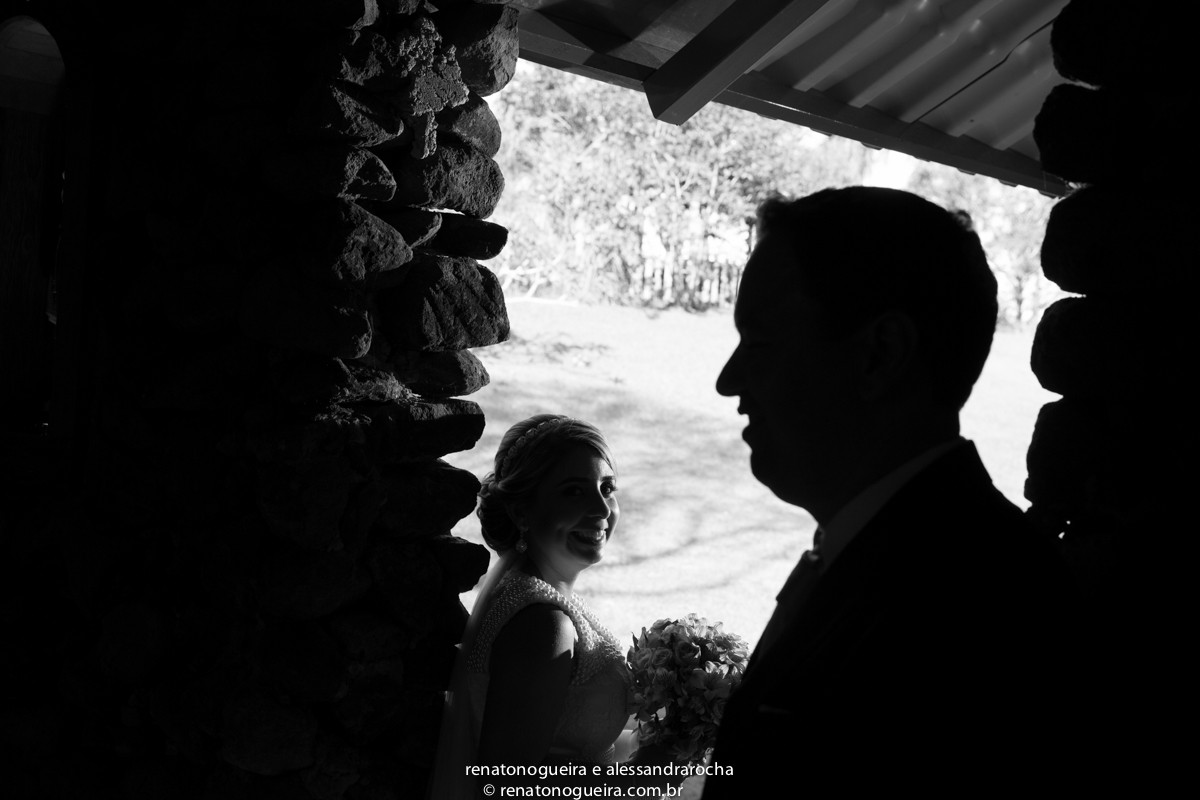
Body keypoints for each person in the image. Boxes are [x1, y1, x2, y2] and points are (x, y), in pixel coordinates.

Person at [702, 188, 1081, 795]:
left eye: (763, 342)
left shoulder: (980, 615)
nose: (729, 380)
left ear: (880, 354)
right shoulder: (899, 553)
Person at [428, 414, 681, 799]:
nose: (601, 510)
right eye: (573, 492)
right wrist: (645, 778)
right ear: (521, 511)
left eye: (607, 487)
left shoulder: (534, 596)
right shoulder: (543, 622)